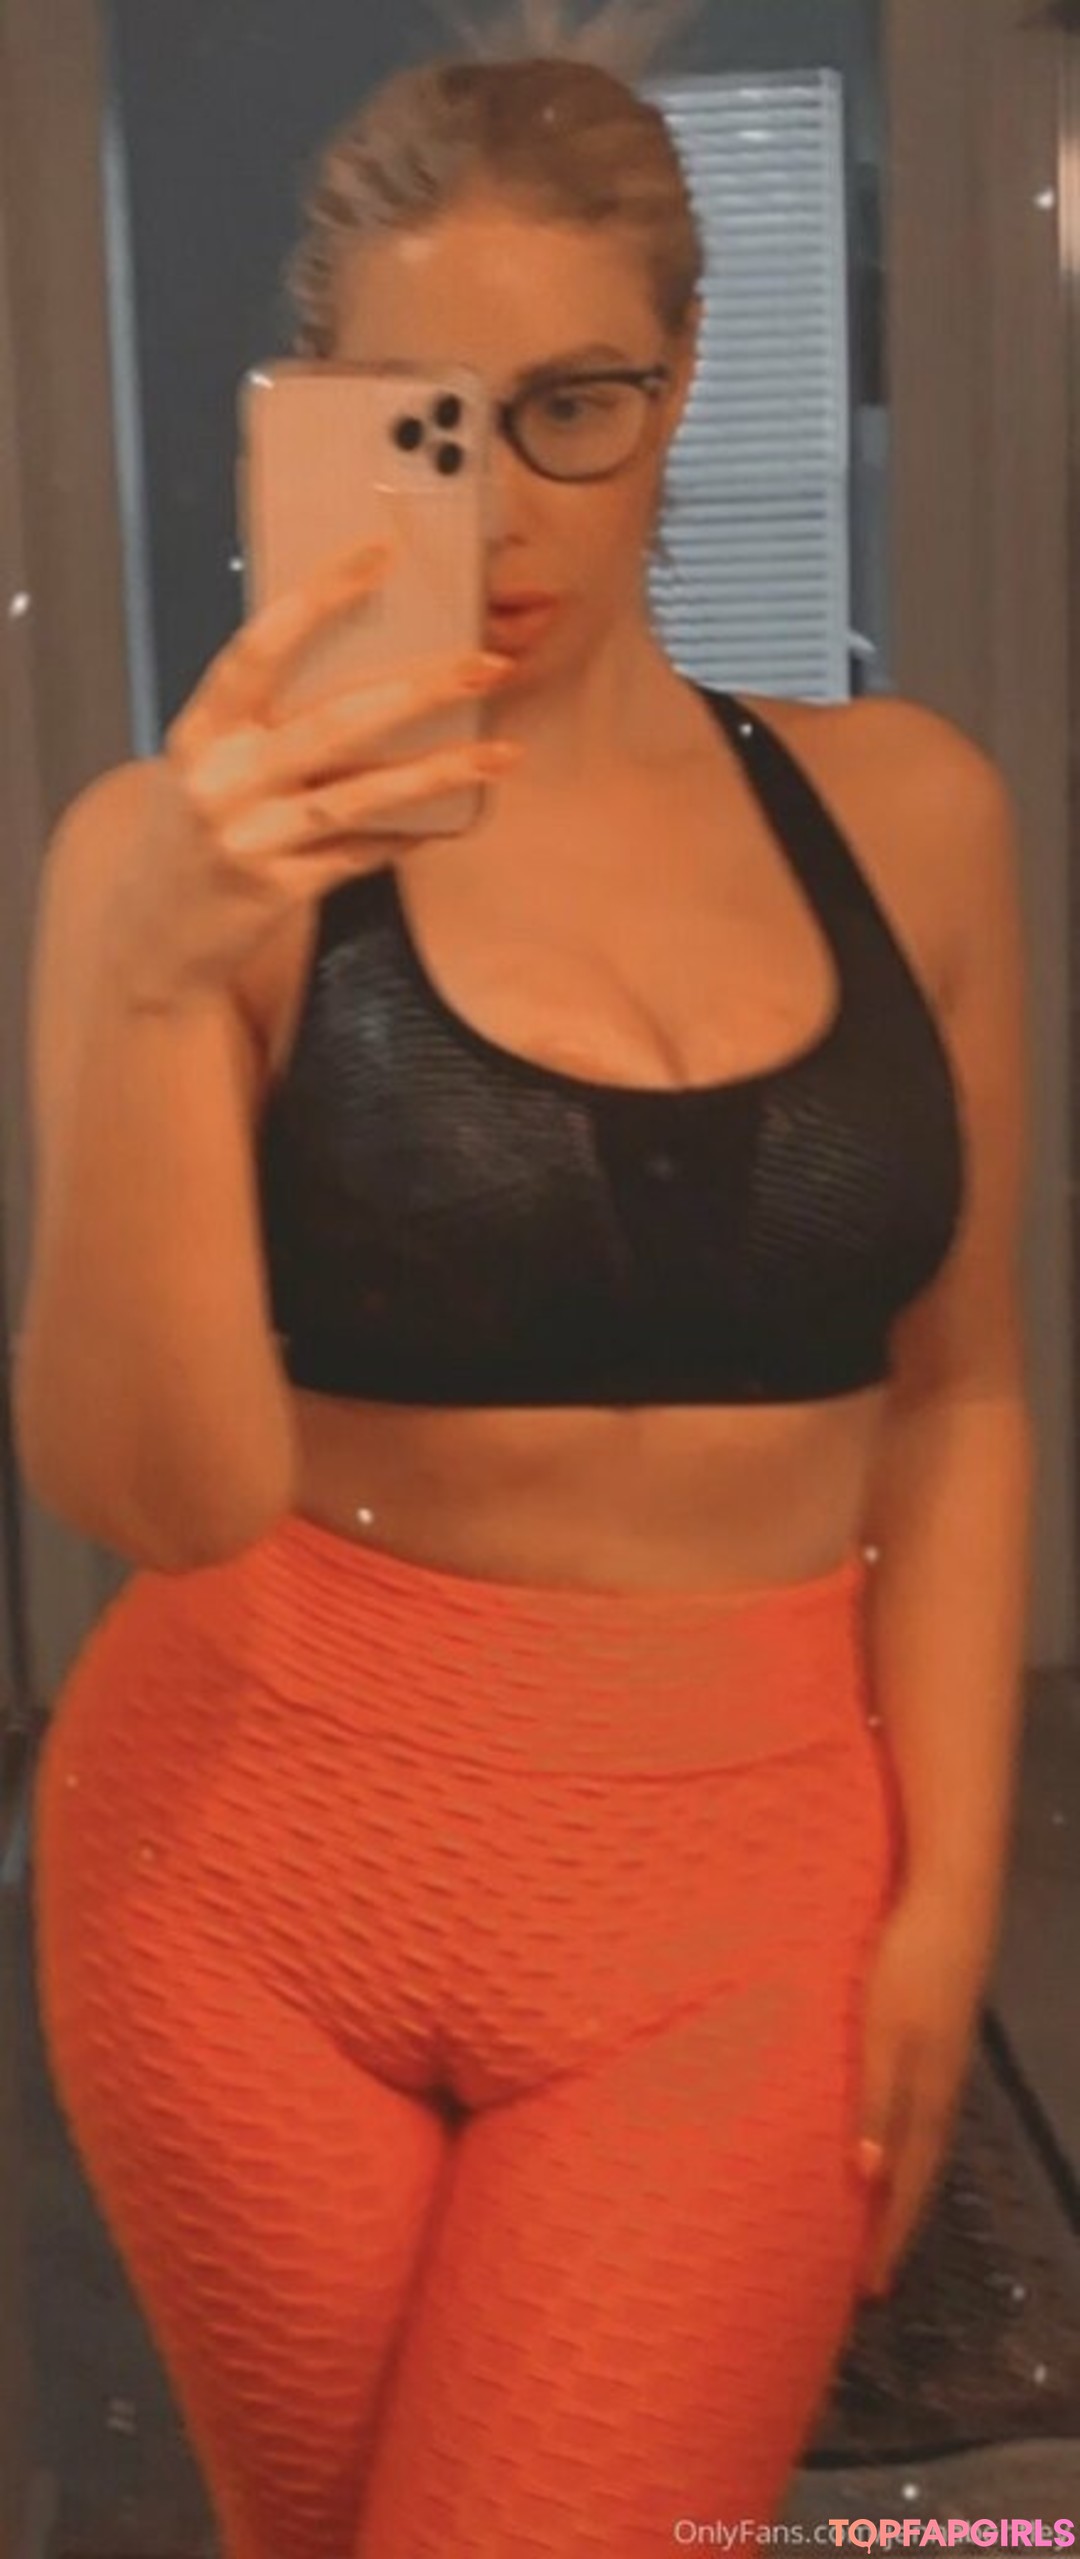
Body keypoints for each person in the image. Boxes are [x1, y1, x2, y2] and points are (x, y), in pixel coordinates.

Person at [15, 30, 1032, 2559]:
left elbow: (961, 1394)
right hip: (241, 1859)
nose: (503, 501)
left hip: (740, 1881)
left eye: (573, 403)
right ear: (313, 423)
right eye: (421, 419)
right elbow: (160, 1492)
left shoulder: (908, 812)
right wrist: (153, 974)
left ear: (686, 374)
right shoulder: (166, 861)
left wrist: (949, 1890)